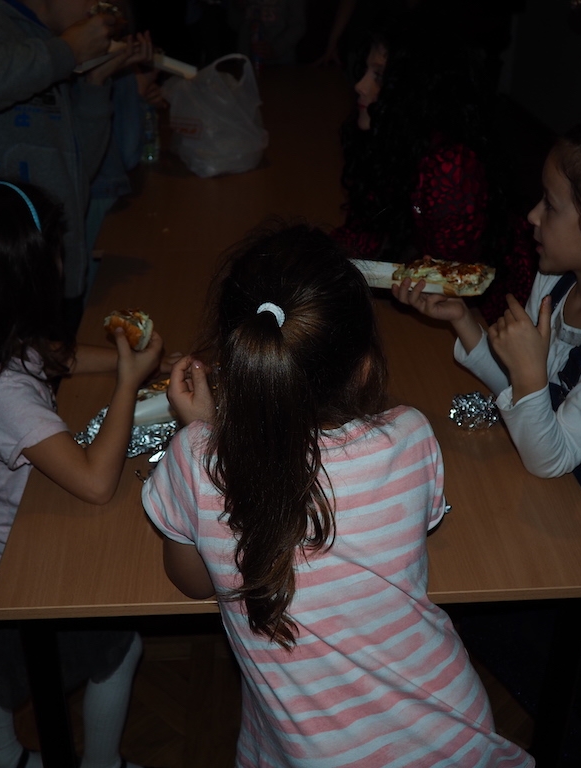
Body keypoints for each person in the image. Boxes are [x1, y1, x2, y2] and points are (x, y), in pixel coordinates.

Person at [140, 223, 535, 768]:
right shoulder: (410, 435)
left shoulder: (195, 458)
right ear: (365, 366)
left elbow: (192, 582)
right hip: (457, 734)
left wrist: (204, 436)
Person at [393, 116, 581, 768]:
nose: (531, 216)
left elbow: (550, 451)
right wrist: (467, 323)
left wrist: (528, 374)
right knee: (497, 611)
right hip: (547, 480)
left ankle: (575, 744)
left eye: (550, 206)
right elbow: (529, 398)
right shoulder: (557, 281)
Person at [0, 183, 164, 768]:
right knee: (116, 653)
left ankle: (1, 757)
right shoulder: (2, 391)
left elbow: (60, 357)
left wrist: (144, 363)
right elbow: (95, 483)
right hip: (10, 564)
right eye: (54, 252)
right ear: (22, 280)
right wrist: (127, 383)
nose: (62, 261)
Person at [0, 0, 153, 332]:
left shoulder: (47, 44)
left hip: (55, 269)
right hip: (2, 276)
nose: (99, 12)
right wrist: (68, 50)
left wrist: (96, 82)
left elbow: (79, 169)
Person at [333, 8, 537, 324]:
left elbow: (451, 279)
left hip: (491, 320)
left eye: (379, 76)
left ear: (411, 91)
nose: (360, 85)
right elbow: (371, 229)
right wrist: (323, 252)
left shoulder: (449, 166)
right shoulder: (390, 140)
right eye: (365, 71)